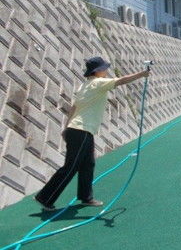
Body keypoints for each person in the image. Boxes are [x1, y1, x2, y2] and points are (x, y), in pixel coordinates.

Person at [34, 57, 150, 211]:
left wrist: (66, 127)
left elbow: (74, 107)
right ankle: (45, 197)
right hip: (81, 130)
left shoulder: (85, 86)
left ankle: (86, 197)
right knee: (71, 166)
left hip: (77, 130)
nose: (106, 71)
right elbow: (121, 80)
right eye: (104, 68)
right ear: (97, 71)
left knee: (88, 164)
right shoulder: (97, 83)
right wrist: (142, 74)